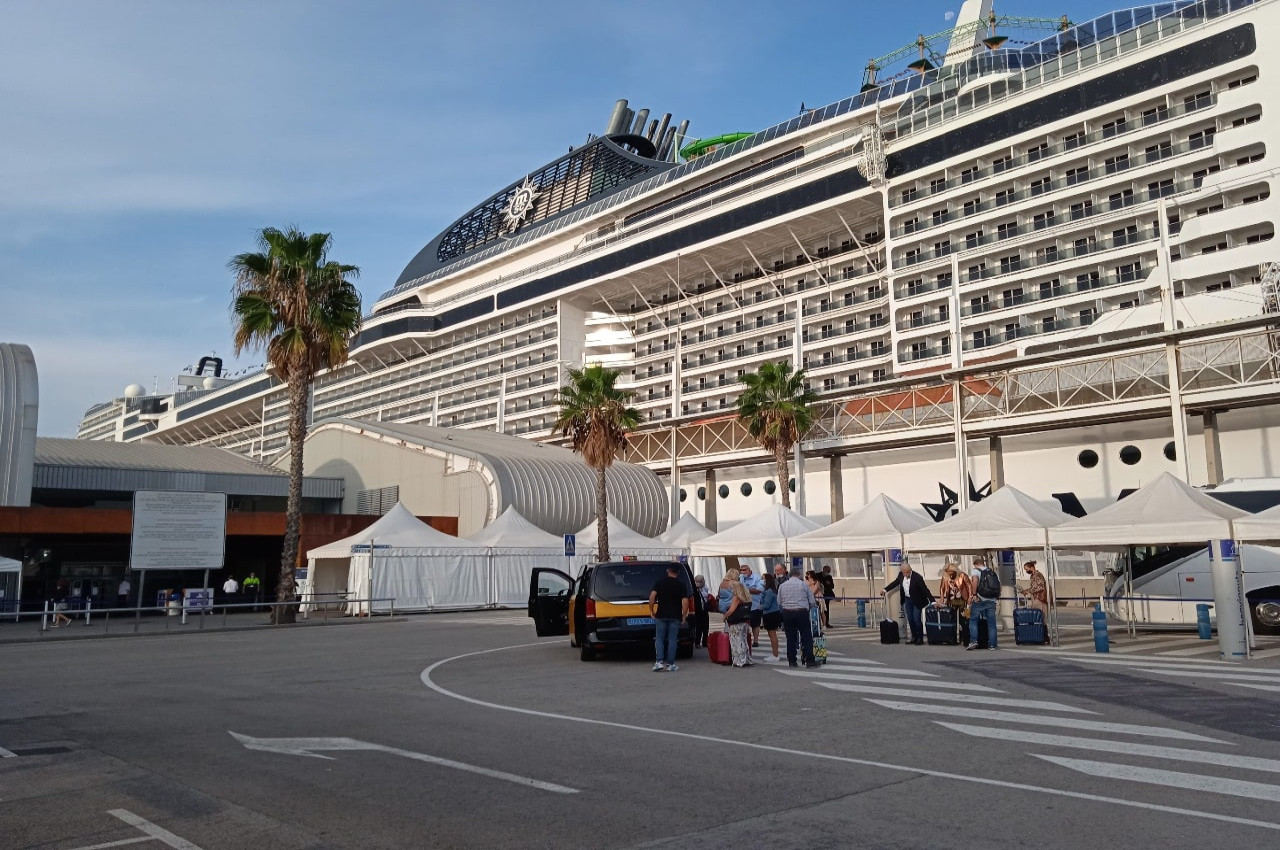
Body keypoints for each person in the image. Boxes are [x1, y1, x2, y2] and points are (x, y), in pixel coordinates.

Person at [648, 564, 691, 672]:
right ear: (678, 572)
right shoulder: (681, 584)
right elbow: (685, 601)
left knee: (659, 638)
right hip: (675, 616)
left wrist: (651, 610)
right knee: (672, 639)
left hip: (661, 614)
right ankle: (671, 664)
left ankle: (659, 662)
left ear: (668, 571)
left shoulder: (660, 582)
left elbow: (652, 596)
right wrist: (684, 615)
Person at [883, 560, 934, 645]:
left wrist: (933, 601)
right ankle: (914, 637)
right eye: (904, 573)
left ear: (910, 570)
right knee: (910, 619)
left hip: (917, 600)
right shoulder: (900, 575)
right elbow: (895, 583)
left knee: (916, 619)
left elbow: (925, 590)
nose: (906, 574)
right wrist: (885, 589)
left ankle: (920, 638)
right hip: (907, 599)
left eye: (907, 572)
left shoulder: (917, 577)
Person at [779, 564, 820, 668]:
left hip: (787, 613)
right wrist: (808, 608)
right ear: (799, 575)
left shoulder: (783, 586)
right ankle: (810, 660)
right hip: (801, 612)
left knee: (790, 638)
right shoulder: (803, 585)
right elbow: (812, 601)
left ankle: (792, 661)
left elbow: (779, 601)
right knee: (806, 636)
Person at [720, 568, 754, 668]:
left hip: (735, 621)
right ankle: (747, 659)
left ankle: (739, 660)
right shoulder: (746, 598)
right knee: (744, 640)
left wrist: (725, 616)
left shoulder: (736, 598)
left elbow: (731, 610)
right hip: (744, 620)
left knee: (735, 640)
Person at [967, 556, 1000, 651]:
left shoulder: (975, 571)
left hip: (980, 599)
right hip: (992, 600)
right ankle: (992, 645)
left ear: (976, 564)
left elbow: (975, 582)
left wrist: (974, 594)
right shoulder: (992, 572)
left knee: (973, 621)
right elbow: (999, 586)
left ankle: (973, 641)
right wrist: (996, 597)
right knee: (991, 624)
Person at [938, 562, 972, 646]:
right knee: (952, 620)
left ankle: (964, 638)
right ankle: (952, 638)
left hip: (963, 600)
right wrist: (942, 598)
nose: (950, 574)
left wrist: (970, 597)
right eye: (948, 571)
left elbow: (969, 586)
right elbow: (942, 588)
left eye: (951, 572)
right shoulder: (945, 577)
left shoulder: (962, 575)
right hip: (951, 600)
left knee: (964, 620)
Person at [759, 573, 783, 663]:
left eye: (763, 579)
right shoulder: (770, 590)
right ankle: (774, 653)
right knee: (771, 634)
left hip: (771, 614)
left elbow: (767, 605)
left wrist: (759, 606)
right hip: (771, 614)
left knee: (772, 635)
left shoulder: (769, 591)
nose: (762, 581)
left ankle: (775, 654)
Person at [739, 564, 764, 646]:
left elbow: (759, 590)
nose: (743, 572)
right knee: (744, 623)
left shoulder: (756, 578)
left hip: (754, 605)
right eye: (741, 570)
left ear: (749, 570)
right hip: (743, 605)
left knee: (755, 624)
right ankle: (745, 640)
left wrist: (746, 590)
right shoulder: (740, 578)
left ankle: (756, 640)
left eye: (744, 570)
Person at [691, 575, 712, 648]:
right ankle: (697, 642)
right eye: (698, 581)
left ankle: (704, 642)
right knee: (699, 627)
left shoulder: (705, 588)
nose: (699, 583)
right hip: (698, 610)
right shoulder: (694, 589)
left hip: (704, 609)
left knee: (706, 627)